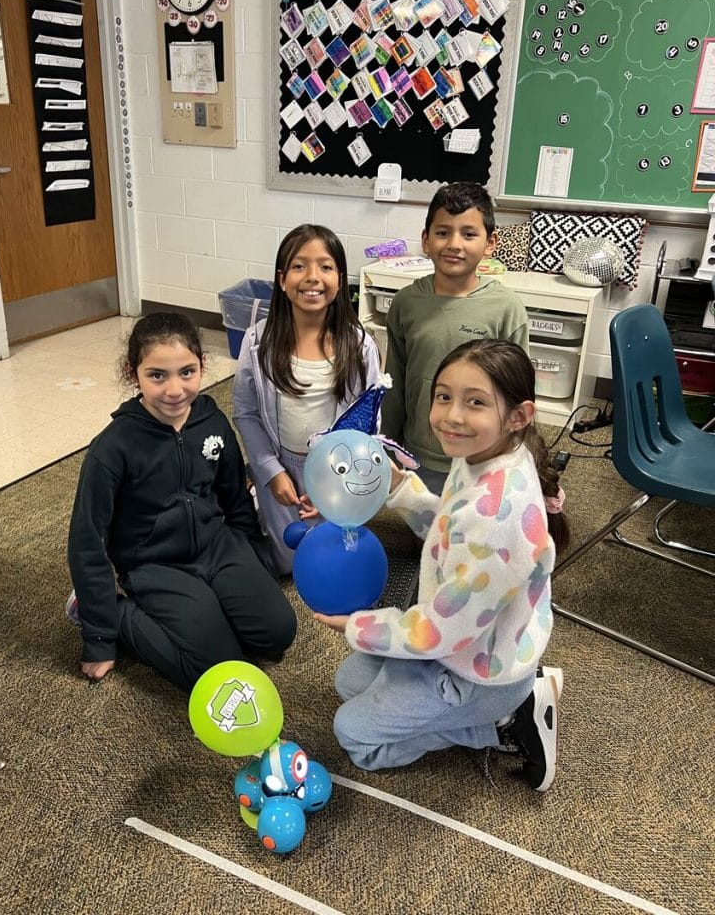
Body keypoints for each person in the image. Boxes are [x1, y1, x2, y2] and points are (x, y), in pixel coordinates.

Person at [316, 339, 569, 791]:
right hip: (470, 638)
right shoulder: (484, 455)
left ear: (518, 416)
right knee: (350, 682)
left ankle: (506, 721)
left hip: (472, 672)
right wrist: (401, 490)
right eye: (444, 396)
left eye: (475, 402)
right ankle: (504, 703)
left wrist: (357, 626)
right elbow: (453, 530)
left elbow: (439, 632)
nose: (452, 415)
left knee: (354, 735)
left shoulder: (496, 520)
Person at [66, 312, 297, 691]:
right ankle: (116, 613)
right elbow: (86, 540)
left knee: (277, 636)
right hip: (154, 564)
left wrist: (256, 566)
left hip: (217, 549)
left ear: (202, 366)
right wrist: (100, 636)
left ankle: (212, 609)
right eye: (158, 375)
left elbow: (236, 499)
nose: (175, 389)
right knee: (217, 672)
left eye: (187, 372)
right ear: (133, 373)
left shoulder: (212, 421)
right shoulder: (112, 448)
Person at [233, 223, 381, 576]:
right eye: (300, 266)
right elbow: (246, 412)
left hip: (337, 469)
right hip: (282, 467)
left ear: (341, 279)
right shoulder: (257, 342)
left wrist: (332, 481)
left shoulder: (359, 345)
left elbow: (369, 420)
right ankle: (256, 494)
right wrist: (270, 472)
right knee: (287, 560)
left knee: (334, 561)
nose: (312, 277)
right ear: (282, 280)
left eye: (325, 267)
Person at [381, 182, 529, 495]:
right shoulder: (406, 303)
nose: (454, 244)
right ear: (425, 240)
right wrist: (387, 443)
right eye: (443, 232)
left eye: (469, 234)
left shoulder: (507, 309)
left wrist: (516, 457)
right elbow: (395, 380)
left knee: (475, 533)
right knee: (426, 528)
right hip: (421, 451)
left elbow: (517, 392)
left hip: (481, 453)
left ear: (490, 243)